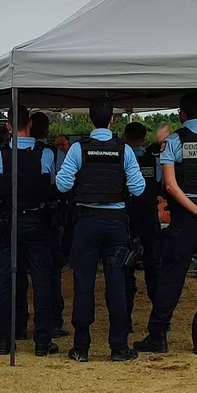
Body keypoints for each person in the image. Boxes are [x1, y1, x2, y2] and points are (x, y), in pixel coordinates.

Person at [135, 93, 197, 356]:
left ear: (182, 114)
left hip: (185, 220)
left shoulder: (174, 141)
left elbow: (170, 184)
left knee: (171, 278)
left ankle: (158, 336)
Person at [56, 98, 145, 363]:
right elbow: (139, 189)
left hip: (86, 222)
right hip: (116, 223)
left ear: (89, 120)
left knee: (83, 285)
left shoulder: (78, 150)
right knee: (116, 285)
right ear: (113, 120)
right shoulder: (124, 150)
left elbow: (61, 185)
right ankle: (118, 347)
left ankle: (81, 348)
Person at [0, 105, 57, 357]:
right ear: (29, 124)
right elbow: (51, 184)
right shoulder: (46, 154)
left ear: (8, 127)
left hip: (8, 222)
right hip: (38, 222)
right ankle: (42, 342)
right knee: (41, 282)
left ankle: (5, 341)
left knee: (4, 282)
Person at [29, 111, 70, 339]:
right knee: (50, 272)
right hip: (48, 218)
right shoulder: (53, 154)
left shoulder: (8, 152)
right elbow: (62, 183)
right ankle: (53, 321)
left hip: (18, 218)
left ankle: (17, 324)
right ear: (46, 130)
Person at [122, 122, 161, 334]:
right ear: (144, 137)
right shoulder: (154, 161)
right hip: (150, 219)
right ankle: (160, 318)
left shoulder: (122, 159)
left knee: (126, 270)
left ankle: (125, 320)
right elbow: (162, 186)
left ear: (126, 137)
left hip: (128, 219)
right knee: (154, 270)